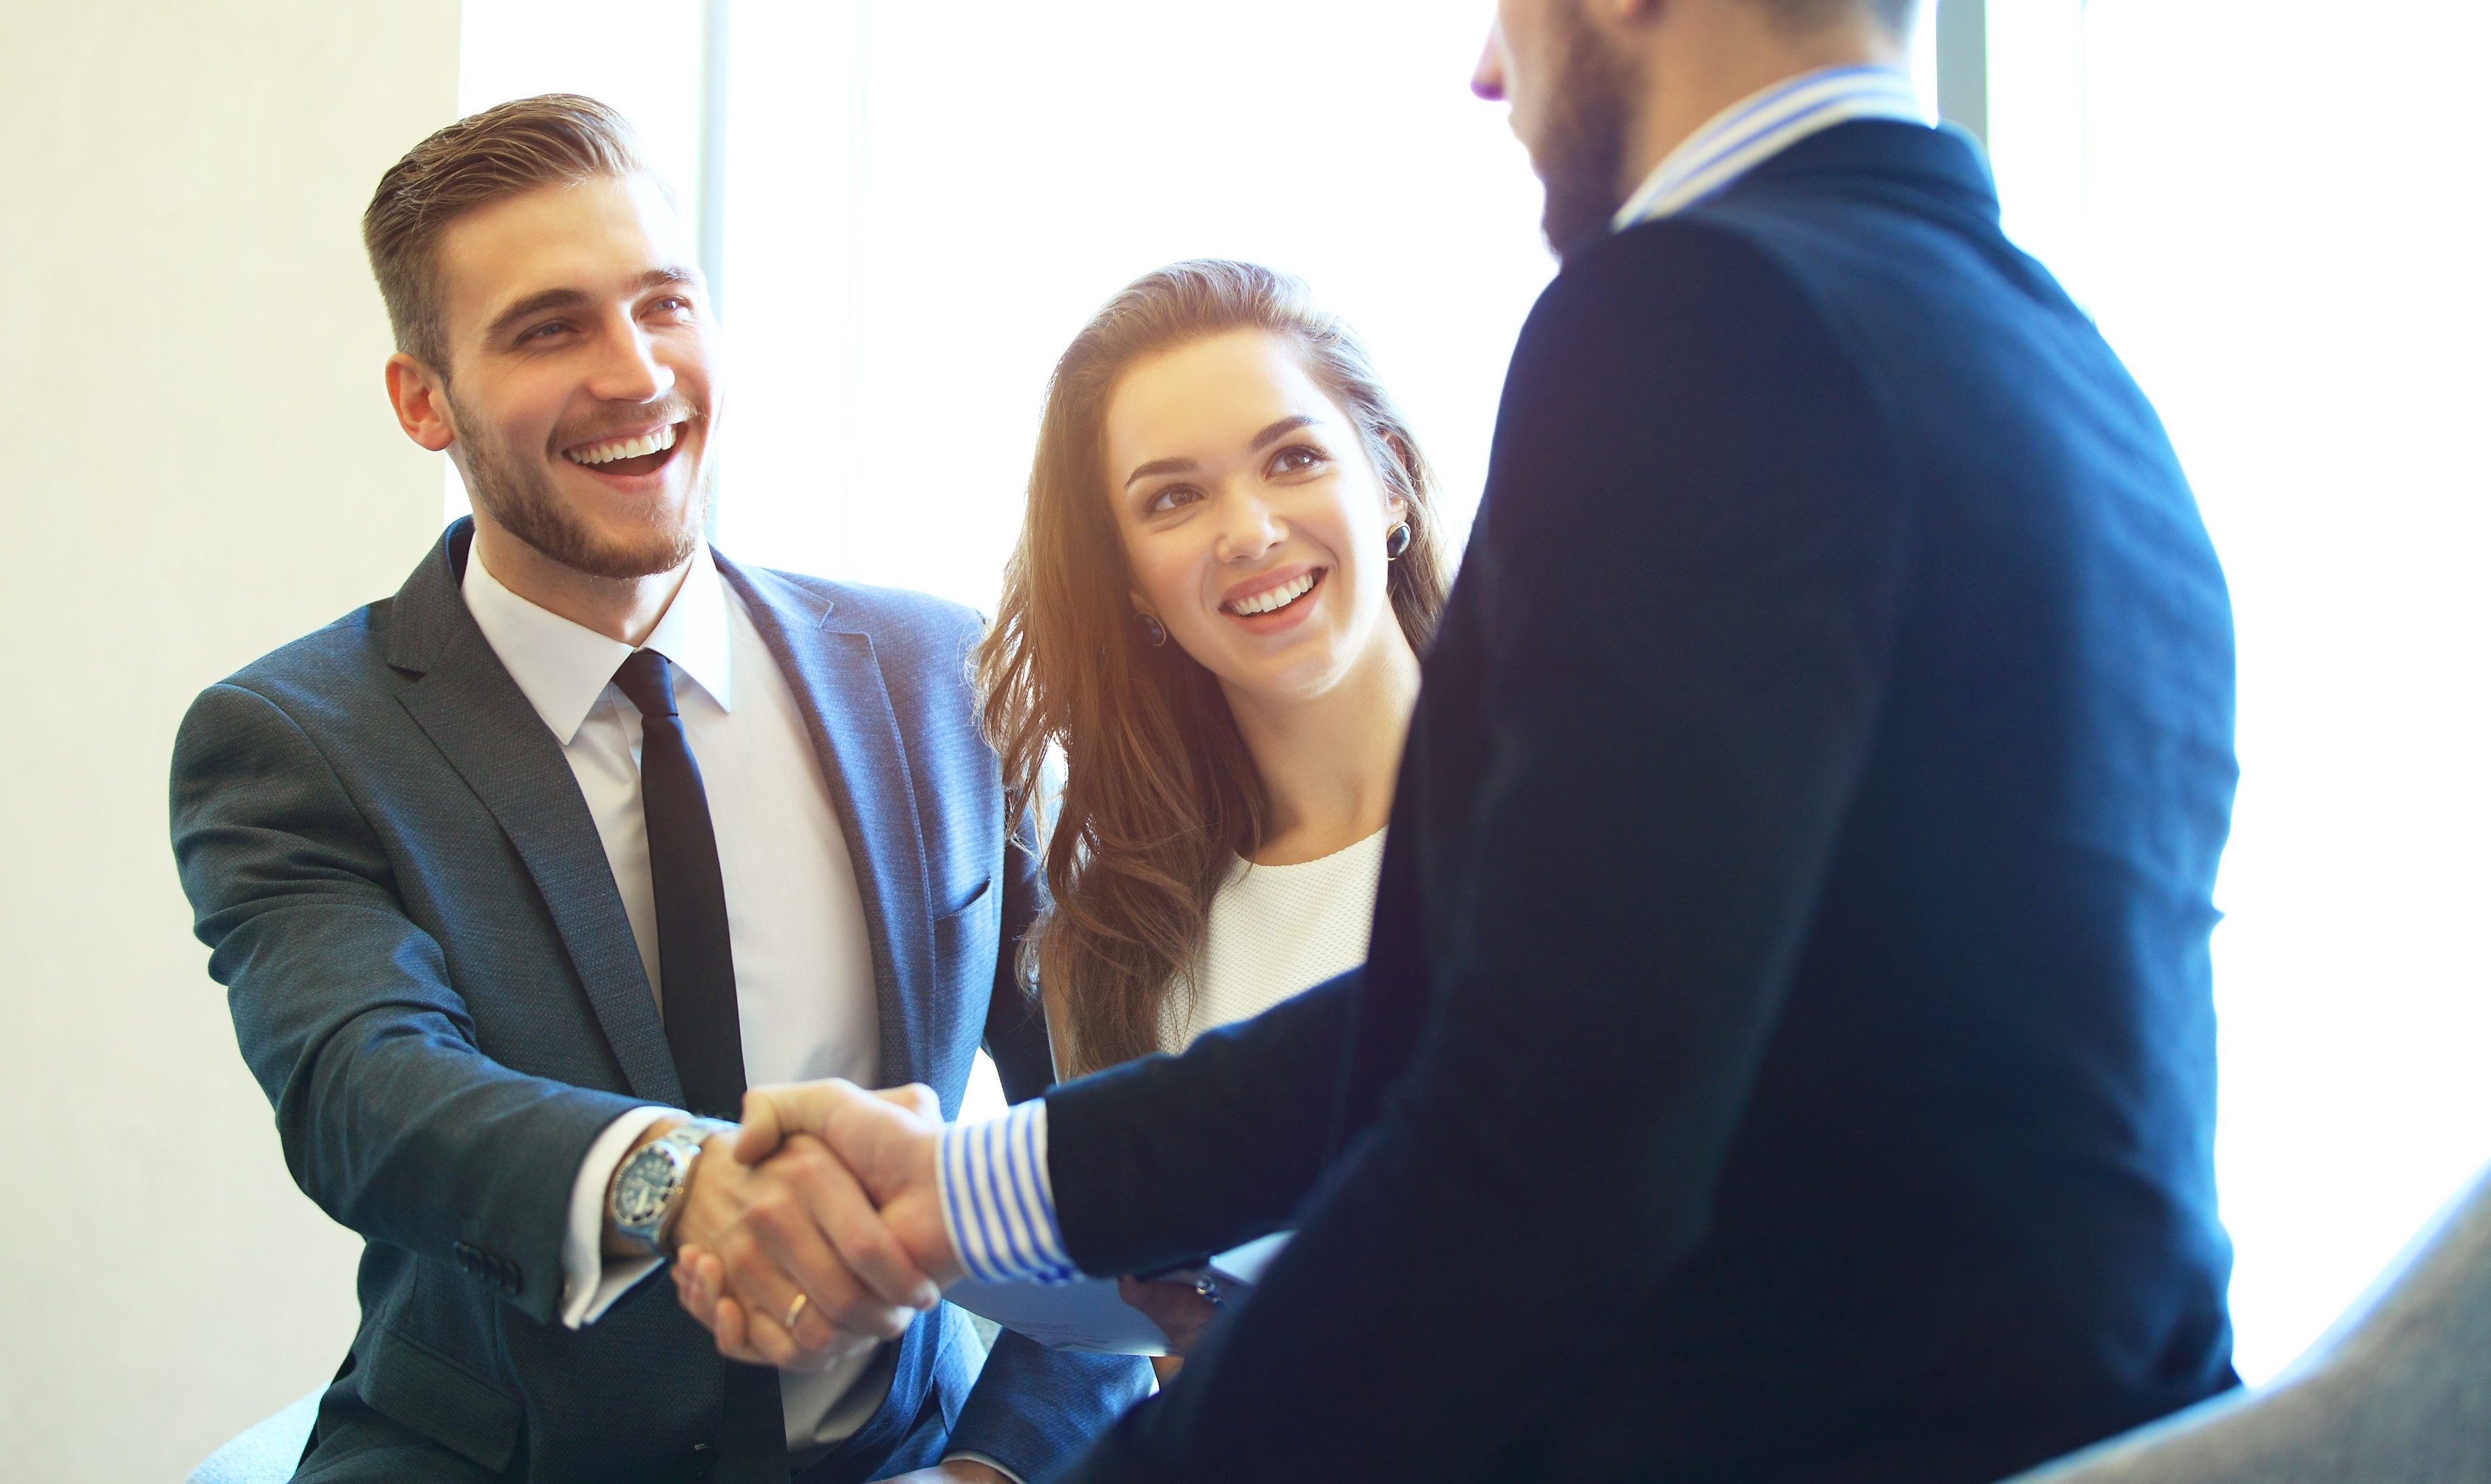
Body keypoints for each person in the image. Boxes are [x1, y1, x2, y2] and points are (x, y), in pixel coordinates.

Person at [680, 0, 2248, 1479]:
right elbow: (1520, 1006)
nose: (1491, 75)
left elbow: (1539, 1141)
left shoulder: (1693, 316)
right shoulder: (2061, 362)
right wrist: (959, 1189)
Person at [166, 94, 1146, 1484]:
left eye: (663, 303)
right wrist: (684, 1188)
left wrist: (994, 1468)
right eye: (548, 327)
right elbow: (366, 1090)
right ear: (421, 399)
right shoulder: (295, 740)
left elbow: (1111, 1126)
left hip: (914, 1455)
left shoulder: (941, 676)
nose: (634, 374)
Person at [969, 260, 1451, 1360]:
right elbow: (1175, 1362)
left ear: (1390, 485)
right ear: (1131, 580)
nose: (1248, 531)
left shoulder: (1580, 818)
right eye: (1174, 498)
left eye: (1292, 459)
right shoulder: (1120, 947)